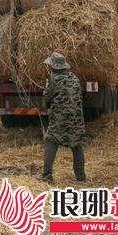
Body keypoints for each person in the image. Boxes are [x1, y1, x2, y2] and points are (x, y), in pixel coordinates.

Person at [38, 52, 87, 183]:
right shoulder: (74, 78)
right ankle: (81, 177)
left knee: (50, 140)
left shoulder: (54, 79)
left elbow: (47, 96)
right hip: (76, 118)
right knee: (77, 146)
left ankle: (47, 175)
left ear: (53, 67)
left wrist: (46, 88)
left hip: (59, 118)